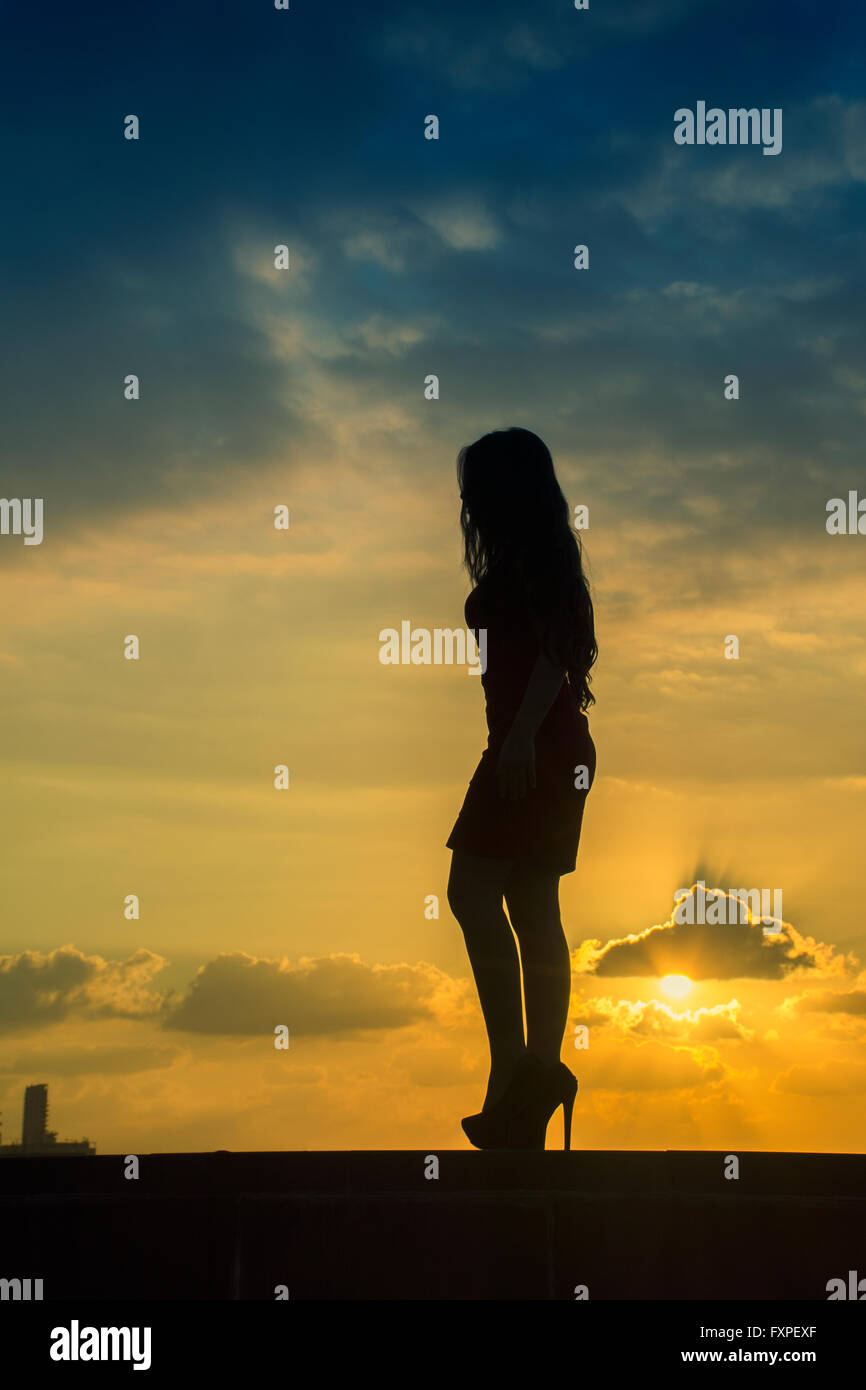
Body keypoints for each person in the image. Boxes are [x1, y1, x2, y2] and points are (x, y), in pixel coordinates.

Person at [445, 428, 598, 1150]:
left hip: (533, 747)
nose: (467, 499)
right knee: (531, 904)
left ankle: (515, 1070)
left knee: (474, 893)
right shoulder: (533, 555)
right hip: (540, 745)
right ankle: (534, 1074)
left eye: (476, 485)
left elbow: (552, 656)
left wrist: (516, 739)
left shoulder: (536, 558)